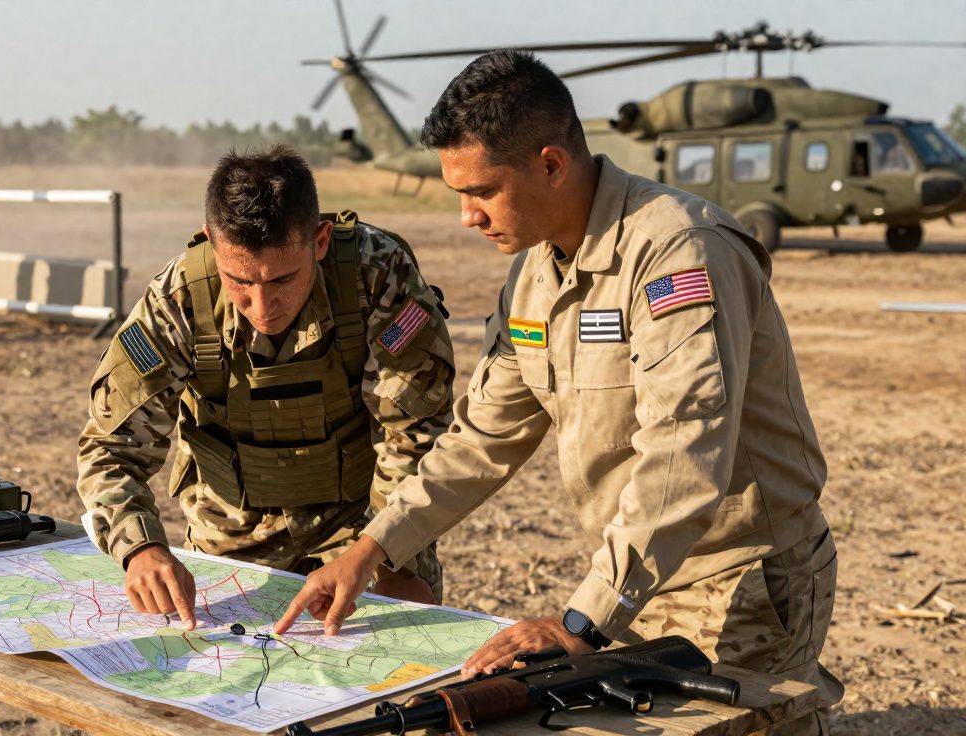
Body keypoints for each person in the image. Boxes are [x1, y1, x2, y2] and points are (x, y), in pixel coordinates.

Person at [275, 52, 842, 735]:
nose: (466, 217)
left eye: (481, 191)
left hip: (739, 577)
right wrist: (371, 550)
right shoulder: (534, 277)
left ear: (550, 165)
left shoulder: (679, 252)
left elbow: (684, 452)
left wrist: (581, 622)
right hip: (638, 577)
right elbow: (483, 437)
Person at [76, 145, 455, 629]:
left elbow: (417, 432)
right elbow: (110, 446)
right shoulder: (179, 301)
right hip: (229, 532)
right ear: (214, 245)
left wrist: (387, 557)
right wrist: (140, 547)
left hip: (363, 523)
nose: (261, 305)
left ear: (319, 242)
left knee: (399, 651)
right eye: (240, 282)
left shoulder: (375, 275)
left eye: (282, 280)